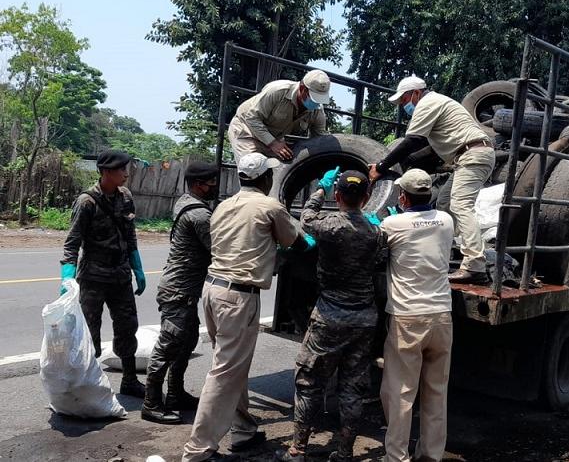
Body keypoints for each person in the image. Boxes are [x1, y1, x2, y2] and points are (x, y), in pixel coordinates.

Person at [183, 153, 313, 462]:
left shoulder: (223, 206)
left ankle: (242, 429)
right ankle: (198, 451)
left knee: (230, 365)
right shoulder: (270, 207)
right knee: (225, 372)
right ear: (266, 179)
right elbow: (296, 242)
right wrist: (308, 241)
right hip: (238, 297)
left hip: (213, 291)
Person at [276, 169, 386, 462]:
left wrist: (319, 190)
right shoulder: (376, 231)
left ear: (338, 195)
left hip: (330, 317)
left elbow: (305, 218)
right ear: (366, 198)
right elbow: (380, 260)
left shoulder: (329, 226)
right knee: (353, 387)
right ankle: (345, 452)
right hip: (364, 318)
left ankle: (298, 449)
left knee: (310, 383)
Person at [369, 75, 495, 285]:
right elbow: (426, 148)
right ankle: (444, 255)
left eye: (404, 100)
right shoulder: (437, 103)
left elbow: (412, 140)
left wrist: (381, 167)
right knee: (445, 204)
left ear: (416, 93)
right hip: (468, 155)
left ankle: (475, 265)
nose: (403, 106)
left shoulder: (428, 103)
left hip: (472, 155)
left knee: (461, 205)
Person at [379, 169, 455, 462]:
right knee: (436, 391)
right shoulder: (446, 221)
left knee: (400, 392)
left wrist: (389, 217)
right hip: (441, 316)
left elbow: (377, 246)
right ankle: (430, 455)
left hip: (407, 318)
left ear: (402, 197)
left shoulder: (392, 223)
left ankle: (396, 456)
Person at [60, 149, 147, 398]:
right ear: (106, 172)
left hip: (120, 275)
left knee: (127, 327)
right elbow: (72, 243)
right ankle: (89, 384)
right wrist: (67, 276)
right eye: (121, 169)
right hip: (93, 278)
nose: (126, 174)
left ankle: (130, 380)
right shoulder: (86, 201)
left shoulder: (125, 197)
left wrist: (137, 267)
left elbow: (130, 235)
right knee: (90, 333)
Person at [142, 162, 219, 424]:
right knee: (168, 346)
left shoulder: (185, 202)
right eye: (211, 184)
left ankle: (175, 395)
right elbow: (218, 249)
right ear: (198, 184)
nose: (214, 188)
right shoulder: (200, 216)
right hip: (179, 291)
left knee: (185, 344)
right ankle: (151, 402)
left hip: (181, 290)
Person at [228, 69, 331, 163]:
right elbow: (252, 118)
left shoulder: (317, 111)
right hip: (246, 129)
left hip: (274, 138)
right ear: (302, 88)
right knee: (252, 167)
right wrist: (273, 144)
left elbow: (320, 139)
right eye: (314, 98)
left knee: (285, 169)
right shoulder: (277, 91)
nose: (316, 103)